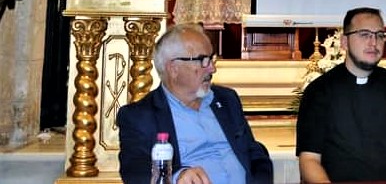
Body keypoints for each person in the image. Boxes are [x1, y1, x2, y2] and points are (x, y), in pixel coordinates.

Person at [296, 7, 386, 182]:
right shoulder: (319, 91)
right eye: (364, 34)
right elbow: (309, 160)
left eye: (380, 35)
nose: (374, 42)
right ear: (344, 42)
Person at [117, 24, 273, 184]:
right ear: (173, 68)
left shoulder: (226, 100)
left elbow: (255, 153)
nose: (212, 69)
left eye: (211, 59)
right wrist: (178, 177)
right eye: (203, 60)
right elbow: (134, 171)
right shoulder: (139, 115)